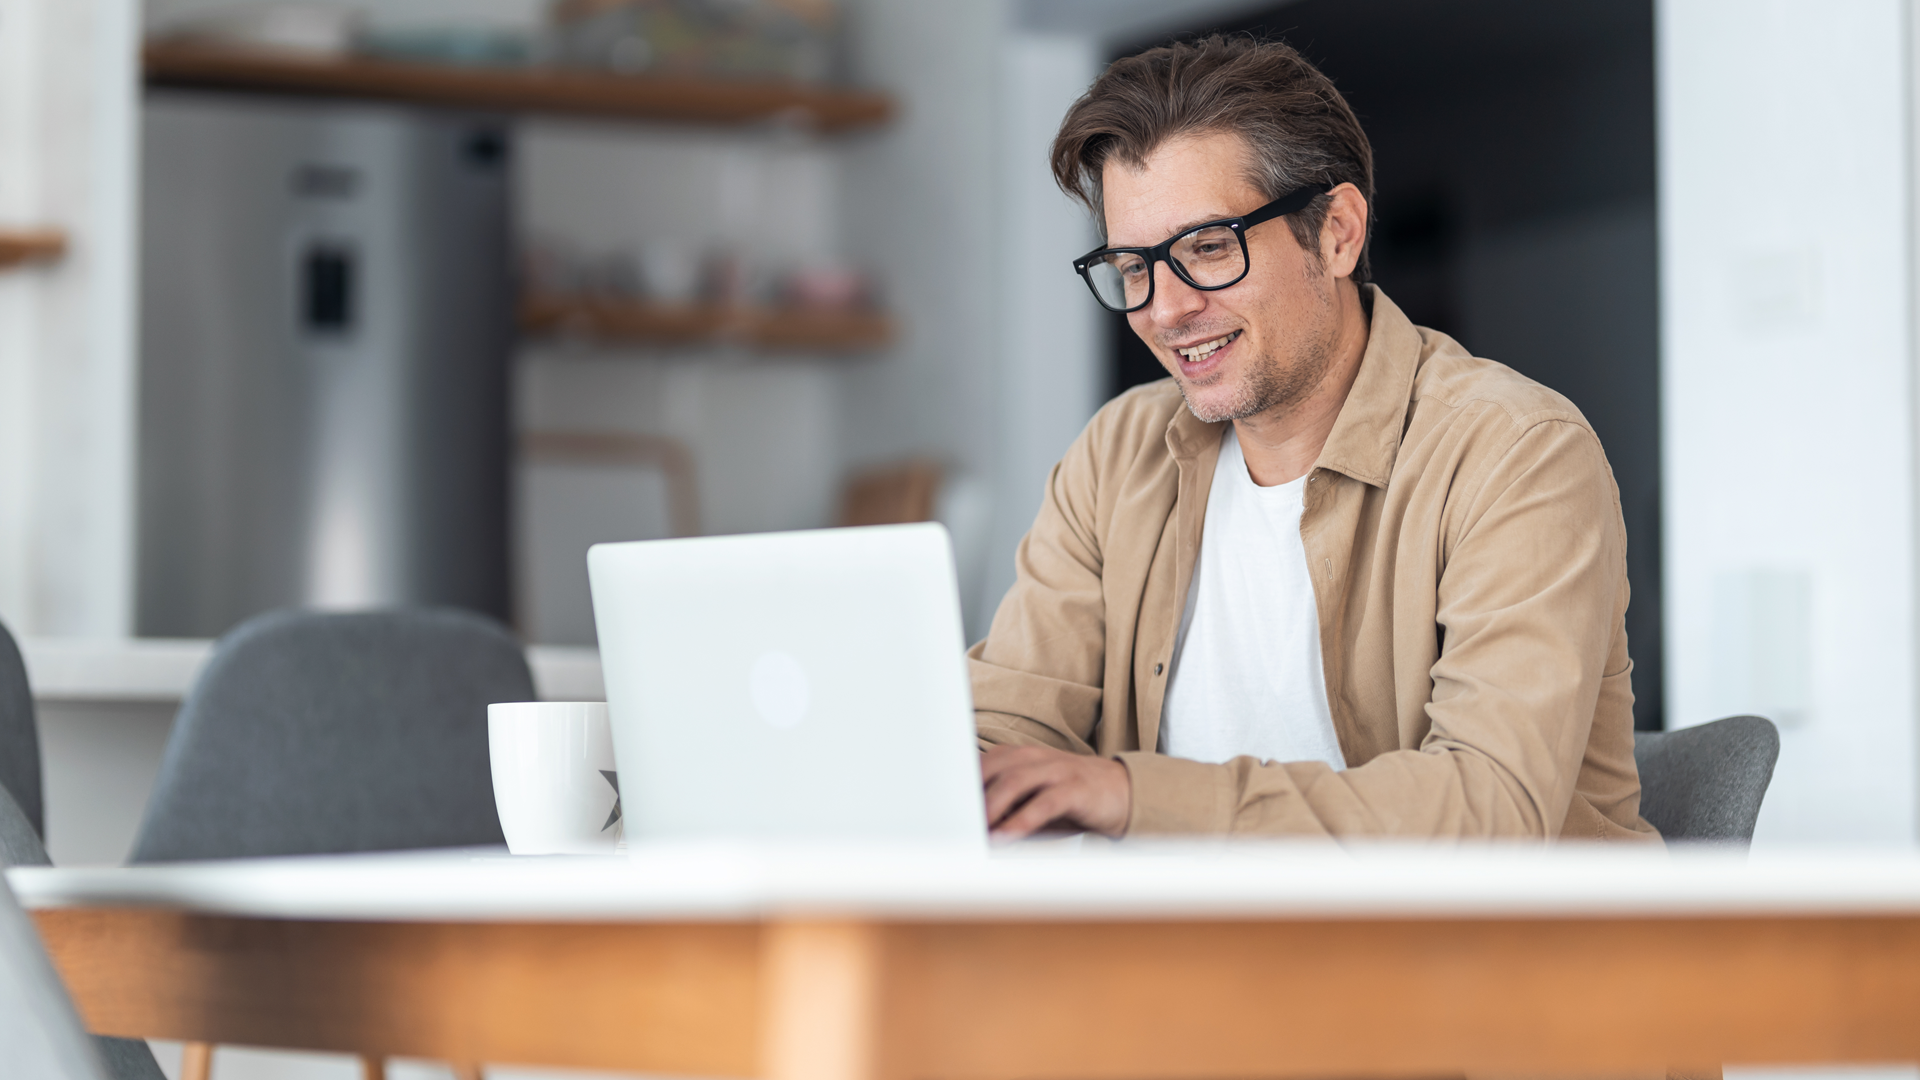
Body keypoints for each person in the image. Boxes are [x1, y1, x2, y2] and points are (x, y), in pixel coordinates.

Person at [973, 35, 1659, 844]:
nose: (1163, 309)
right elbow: (1009, 729)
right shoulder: (1118, 455)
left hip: (1475, 964)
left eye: (1207, 249)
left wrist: (1132, 795)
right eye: (1133, 266)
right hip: (1185, 962)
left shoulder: (1517, 455)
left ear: (1337, 232)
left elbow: (1489, 809)